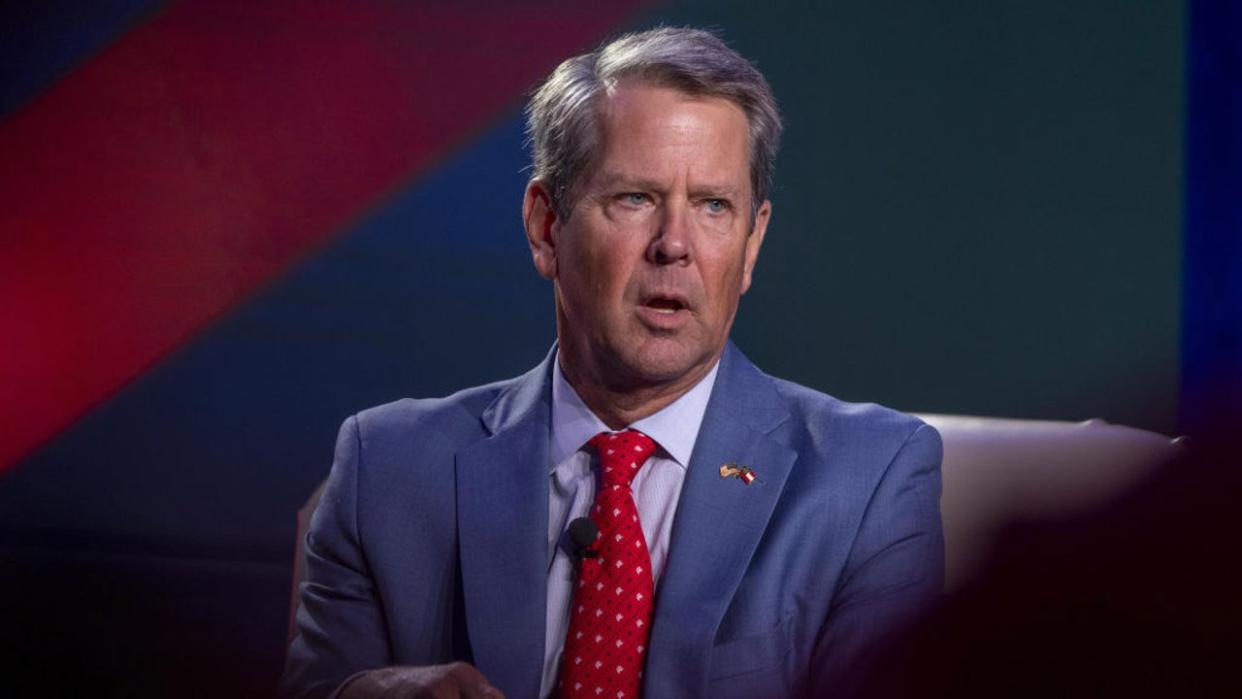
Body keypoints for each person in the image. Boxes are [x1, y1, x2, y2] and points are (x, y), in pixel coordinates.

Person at [281, 27, 943, 699]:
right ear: (546, 227)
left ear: (750, 245)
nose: (675, 245)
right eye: (636, 198)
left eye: (714, 206)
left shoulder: (867, 484)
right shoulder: (385, 470)